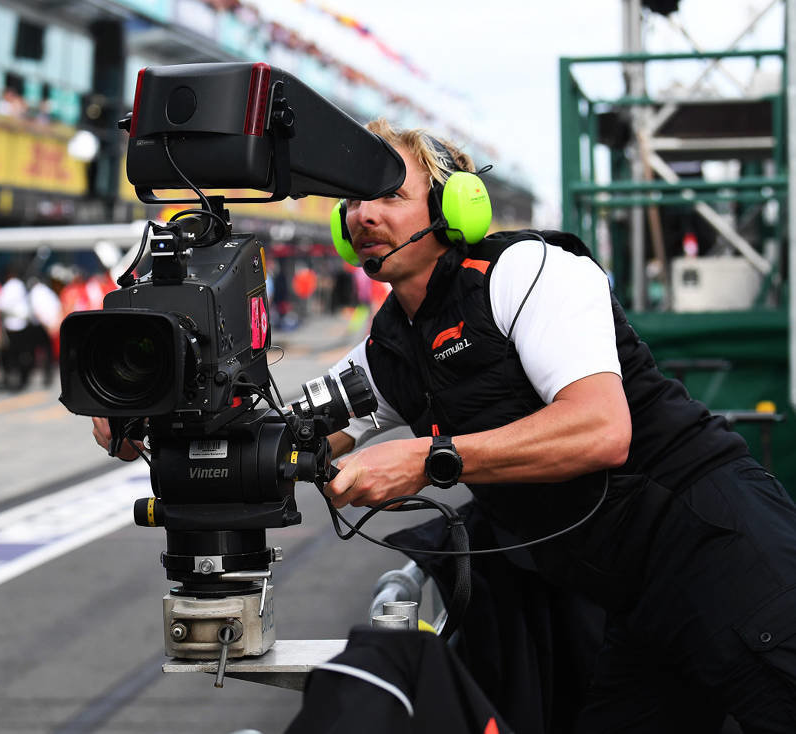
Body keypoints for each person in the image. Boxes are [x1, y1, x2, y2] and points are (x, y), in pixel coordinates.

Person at [90, 118, 796, 731]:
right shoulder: (394, 343)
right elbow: (284, 434)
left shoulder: (528, 272)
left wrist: (427, 459)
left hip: (719, 548)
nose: (363, 214)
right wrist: (149, 410)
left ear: (458, 204)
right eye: (353, 200)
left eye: (389, 194)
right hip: (634, 599)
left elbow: (599, 430)